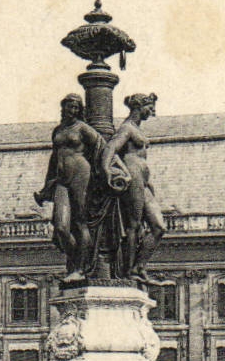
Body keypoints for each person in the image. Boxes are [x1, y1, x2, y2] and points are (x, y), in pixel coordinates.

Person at [95, 92, 165, 281]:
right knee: (133, 225)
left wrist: (148, 183)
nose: (152, 112)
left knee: (159, 227)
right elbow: (110, 148)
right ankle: (129, 270)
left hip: (142, 179)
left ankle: (138, 266)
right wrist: (106, 169)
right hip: (132, 175)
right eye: (149, 108)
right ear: (138, 107)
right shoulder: (127, 128)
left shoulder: (136, 128)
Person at [35, 93, 105, 281]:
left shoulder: (83, 128)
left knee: (81, 222)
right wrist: (46, 186)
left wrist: (104, 171)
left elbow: (101, 146)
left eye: (76, 107)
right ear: (63, 108)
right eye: (69, 106)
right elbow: (54, 156)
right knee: (61, 226)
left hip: (81, 175)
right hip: (61, 179)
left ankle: (80, 268)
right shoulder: (57, 130)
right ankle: (77, 261)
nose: (72, 110)